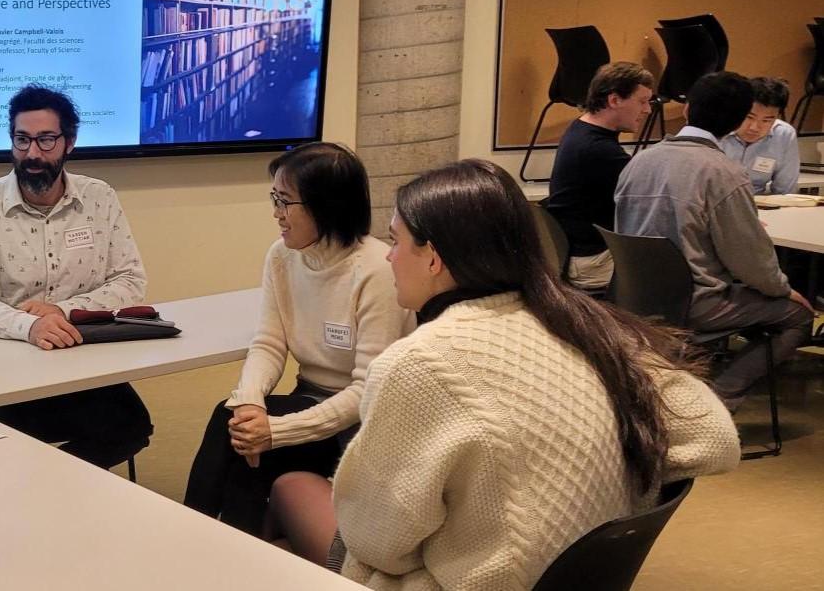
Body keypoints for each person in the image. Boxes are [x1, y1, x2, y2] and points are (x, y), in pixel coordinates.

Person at [268, 160, 740, 590]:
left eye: (395, 241)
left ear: (433, 257)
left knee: (290, 486)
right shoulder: (591, 325)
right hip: (573, 575)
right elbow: (715, 438)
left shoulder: (421, 364)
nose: (388, 257)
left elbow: (379, 543)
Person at [182, 143, 413, 535]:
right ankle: (205, 545)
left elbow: (366, 393)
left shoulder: (377, 270)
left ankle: (201, 545)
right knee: (236, 423)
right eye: (275, 199)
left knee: (247, 444)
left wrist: (276, 431)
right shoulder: (282, 256)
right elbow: (269, 342)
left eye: (284, 201)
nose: (276, 213)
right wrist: (251, 404)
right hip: (308, 399)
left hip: (361, 425)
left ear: (325, 205)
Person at [0, 84, 152, 468]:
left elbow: (129, 280)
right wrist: (29, 326)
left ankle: (49, 491)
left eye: (45, 140)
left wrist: (60, 311)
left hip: (79, 358)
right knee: (5, 447)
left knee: (131, 426)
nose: (32, 154)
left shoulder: (99, 197)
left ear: (69, 142)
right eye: (22, 140)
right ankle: (39, 493)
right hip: (3, 365)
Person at [616, 71, 815, 410]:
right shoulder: (722, 172)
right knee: (799, 315)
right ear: (738, 121)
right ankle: (718, 399)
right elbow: (750, 258)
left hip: (632, 296)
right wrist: (784, 289)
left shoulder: (639, 161)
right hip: (696, 302)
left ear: (688, 110)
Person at [543, 61, 653, 290]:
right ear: (614, 100)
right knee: (679, 270)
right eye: (642, 101)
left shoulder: (580, 129)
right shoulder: (599, 150)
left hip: (573, 252)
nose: (648, 110)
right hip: (591, 262)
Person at [719, 76, 800, 195]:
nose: (754, 128)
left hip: (757, 205)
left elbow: (785, 192)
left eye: (766, 120)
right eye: (749, 117)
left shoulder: (784, 135)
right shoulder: (716, 128)